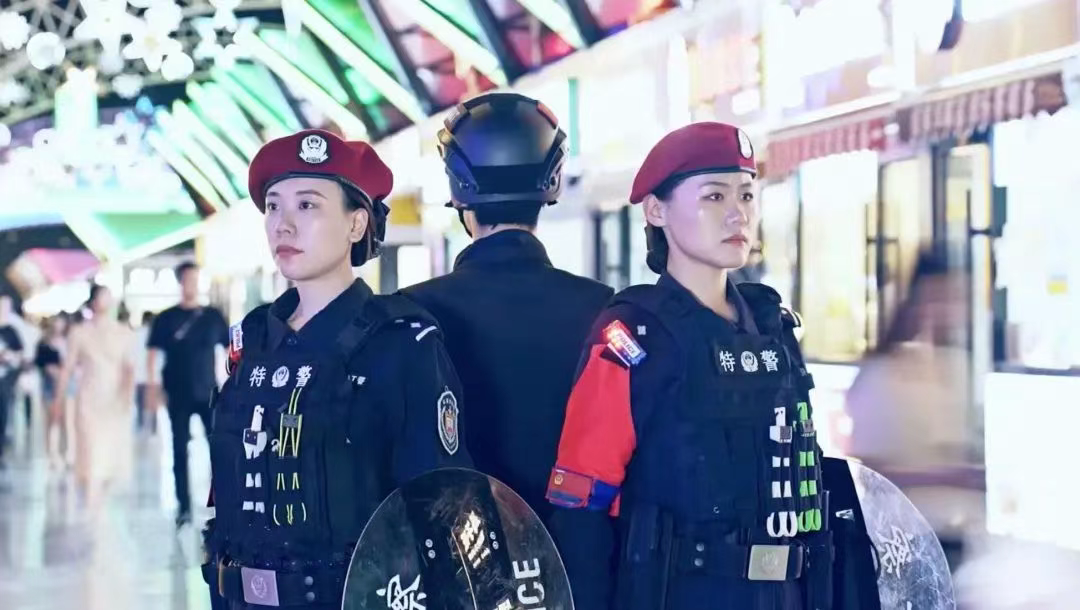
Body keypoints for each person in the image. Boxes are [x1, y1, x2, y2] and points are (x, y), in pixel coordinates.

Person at [545, 123, 831, 609]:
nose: (738, 214)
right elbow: (580, 510)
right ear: (656, 210)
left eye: (747, 195)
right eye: (714, 196)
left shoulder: (773, 328)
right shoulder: (633, 339)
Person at [202, 129, 470, 610]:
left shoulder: (399, 345)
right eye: (273, 207)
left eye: (307, 205)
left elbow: (442, 505)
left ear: (356, 224)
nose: (283, 225)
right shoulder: (254, 341)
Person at [401, 92, 613, 520]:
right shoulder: (603, 308)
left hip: (459, 550)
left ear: (459, 190)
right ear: (551, 181)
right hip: (580, 550)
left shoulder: (414, 312)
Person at [147, 261, 229, 527]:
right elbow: (152, 355)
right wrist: (153, 388)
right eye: (187, 279)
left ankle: (223, 504)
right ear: (180, 282)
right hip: (177, 393)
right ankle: (183, 506)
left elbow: (229, 351)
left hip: (208, 392)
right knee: (179, 450)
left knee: (217, 449)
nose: (191, 284)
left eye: (195, 279)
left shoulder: (213, 316)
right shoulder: (166, 318)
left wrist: (233, 384)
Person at [52, 285, 136, 503]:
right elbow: (68, 368)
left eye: (109, 297)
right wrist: (58, 399)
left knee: (110, 452)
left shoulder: (123, 333)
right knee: (89, 448)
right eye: (102, 297)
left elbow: (129, 368)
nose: (106, 302)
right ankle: (90, 499)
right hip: (88, 397)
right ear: (93, 302)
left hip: (114, 399)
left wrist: (127, 396)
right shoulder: (79, 333)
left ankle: (100, 497)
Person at [35, 315, 68, 469]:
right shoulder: (44, 344)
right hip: (49, 385)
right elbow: (41, 363)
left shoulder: (68, 343)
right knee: (51, 421)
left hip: (66, 386)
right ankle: (51, 454)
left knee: (64, 421)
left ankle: (63, 452)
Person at [0, 295, 25, 467]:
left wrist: (9, 356)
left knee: (3, 416)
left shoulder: (12, 331)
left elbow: (20, 354)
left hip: (5, 381)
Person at [133, 311, 159, 434]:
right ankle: (153, 427)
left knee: (140, 402)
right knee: (153, 403)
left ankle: (140, 424)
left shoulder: (136, 334)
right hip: (153, 376)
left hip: (139, 375)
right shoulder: (156, 335)